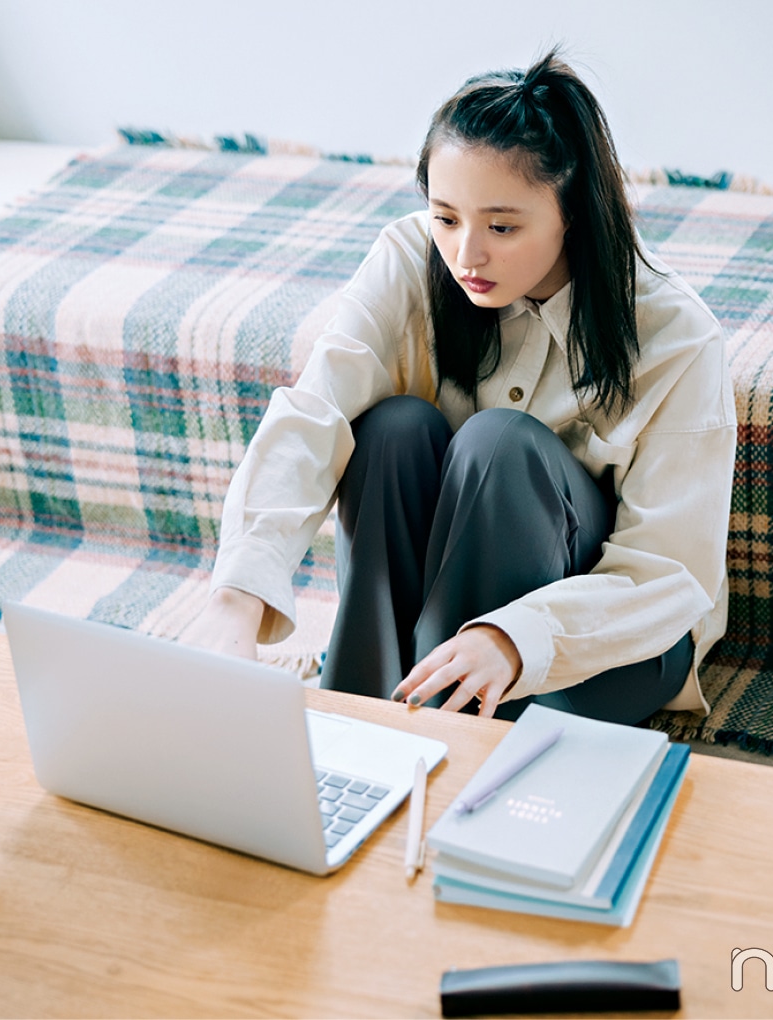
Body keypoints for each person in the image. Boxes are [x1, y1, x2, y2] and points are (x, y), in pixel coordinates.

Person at [181, 50, 736, 724]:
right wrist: (235, 600)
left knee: (500, 446)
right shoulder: (409, 261)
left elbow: (670, 577)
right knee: (390, 431)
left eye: (502, 227)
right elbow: (315, 412)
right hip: (440, 620)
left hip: (607, 645)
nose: (466, 254)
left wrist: (512, 637)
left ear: (573, 212)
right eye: (446, 218)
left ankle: (440, 736)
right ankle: (359, 723)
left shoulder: (675, 336)